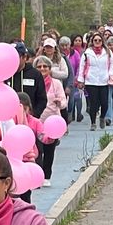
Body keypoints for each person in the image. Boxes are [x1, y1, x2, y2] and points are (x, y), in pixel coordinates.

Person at [33, 56, 65, 187]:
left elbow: (63, 101)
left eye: (45, 66)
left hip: (52, 122)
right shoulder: (34, 82)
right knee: (37, 150)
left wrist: (59, 102)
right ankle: (37, 176)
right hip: (37, 121)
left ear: (50, 69)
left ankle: (47, 175)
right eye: (39, 67)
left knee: (49, 150)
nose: (42, 69)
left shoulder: (56, 83)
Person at [76, 33, 113, 131]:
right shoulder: (87, 53)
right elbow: (81, 67)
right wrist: (80, 80)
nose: (97, 42)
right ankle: (93, 122)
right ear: (92, 42)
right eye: (95, 40)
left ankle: (102, 117)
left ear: (102, 41)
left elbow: (112, 64)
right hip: (91, 81)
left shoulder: (107, 52)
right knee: (93, 103)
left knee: (105, 103)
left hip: (104, 81)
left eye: (99, 40)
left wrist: (110, 74)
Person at [7, 42, 47, 117]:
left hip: (29, 120)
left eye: (16, 57)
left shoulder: (35, 74)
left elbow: (42, 99)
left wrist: (33, 115)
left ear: (24, 57)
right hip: (7, 118)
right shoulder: (4, 74)